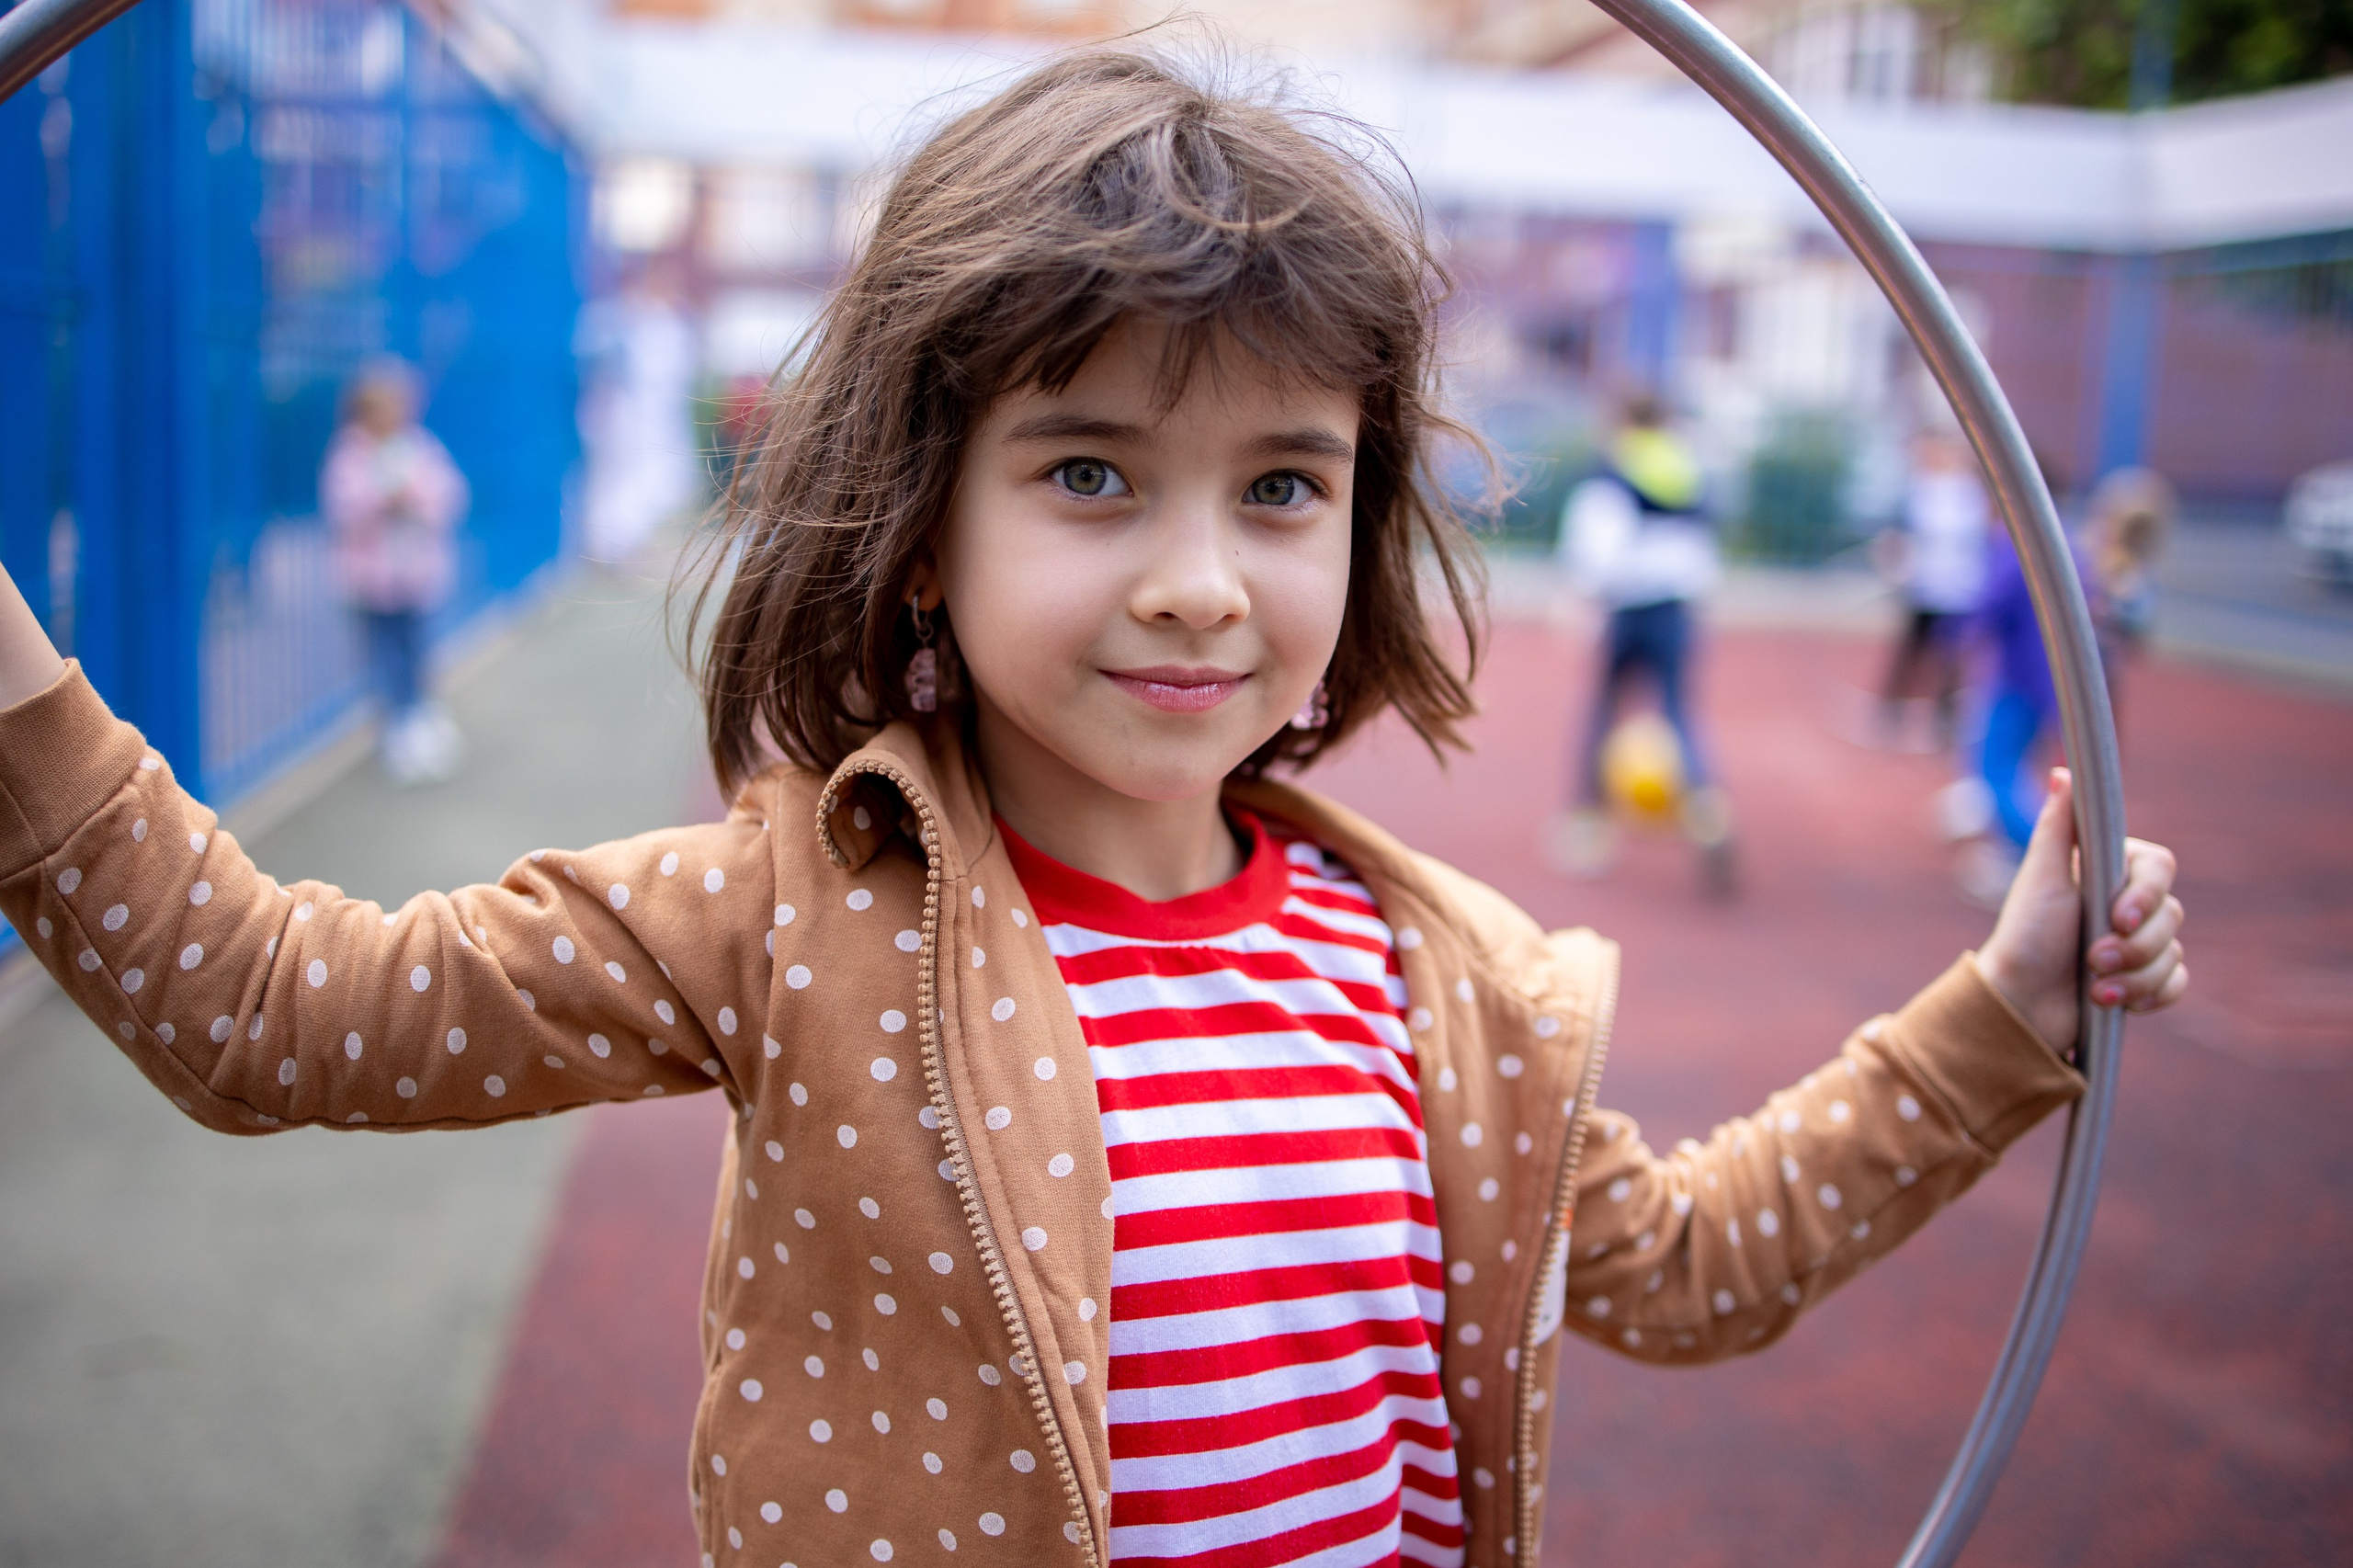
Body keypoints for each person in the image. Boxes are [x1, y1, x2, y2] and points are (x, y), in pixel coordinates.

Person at [0, 53, 2189, 1568]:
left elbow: (1685, 1263)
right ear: (918, 529)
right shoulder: (793, 912)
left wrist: (2004, 1011)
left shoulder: (1432, 985)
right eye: (1086, 470)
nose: (1196, 577)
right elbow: (280, 1010)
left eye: (1280, 485)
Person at [1549, 391, 1735, 892]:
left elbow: (1596, 546)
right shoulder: (1685, 468)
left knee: (1604, 711)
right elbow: (1702, 546)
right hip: (1676, 606)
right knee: (1677, 712)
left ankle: (1588, 825)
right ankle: (1708, 812)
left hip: (1625, 608)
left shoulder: (1613, 469)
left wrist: (1582, 600)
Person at [321, 358, 470, 784]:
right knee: (385, 653)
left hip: (416, 576)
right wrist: (382, 500)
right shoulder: (350, 455)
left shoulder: (419, 448)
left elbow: (450, 494)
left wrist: (416, 497)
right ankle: (396, 723)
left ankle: (422, 714)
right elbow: (343, 507)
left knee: (418, 649)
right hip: (373, 583)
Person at [1877, 428, 1989, 751]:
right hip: (1924, 586)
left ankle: (1944, 718)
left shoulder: (1971, 492)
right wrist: (1897, 567)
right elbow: (1897, 536)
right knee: (1912, 651)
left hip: (1961, 589)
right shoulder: (1918, 489)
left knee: (1952, 657)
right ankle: (1892, 710)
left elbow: (1982, 538)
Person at [2084, 466, 2176, 730]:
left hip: (2101, 665)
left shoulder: (2133, 577)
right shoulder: (2092, 561)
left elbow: (2139, 631)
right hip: (2089, 663)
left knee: (2096, 724)